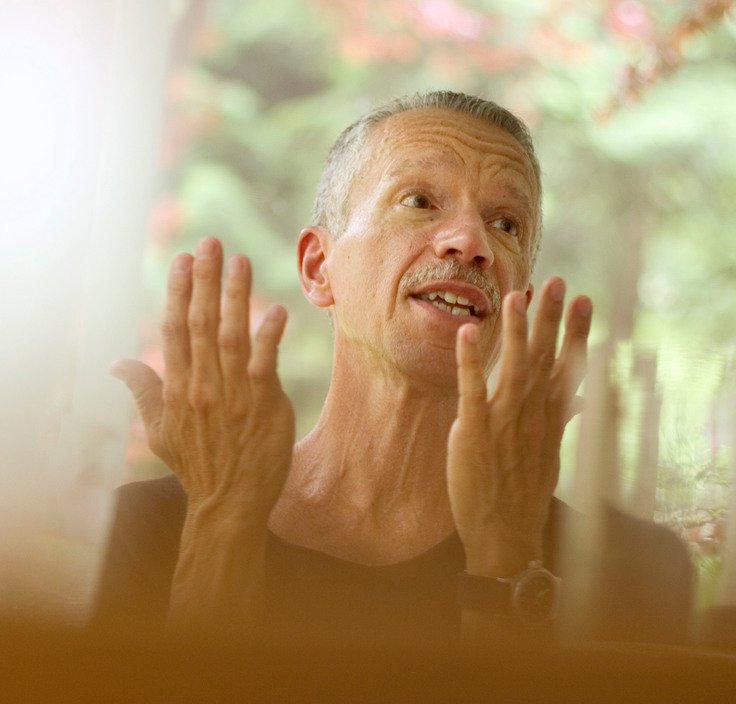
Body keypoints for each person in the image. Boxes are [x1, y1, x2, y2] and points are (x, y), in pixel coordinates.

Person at [94, 91, 692, 645]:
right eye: (420, 201)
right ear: (317, 268)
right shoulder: (148, 531)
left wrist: (507, 557)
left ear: (520, 303)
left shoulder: (605, 575)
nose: (470, 241)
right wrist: (222, 521)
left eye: (505, 224)